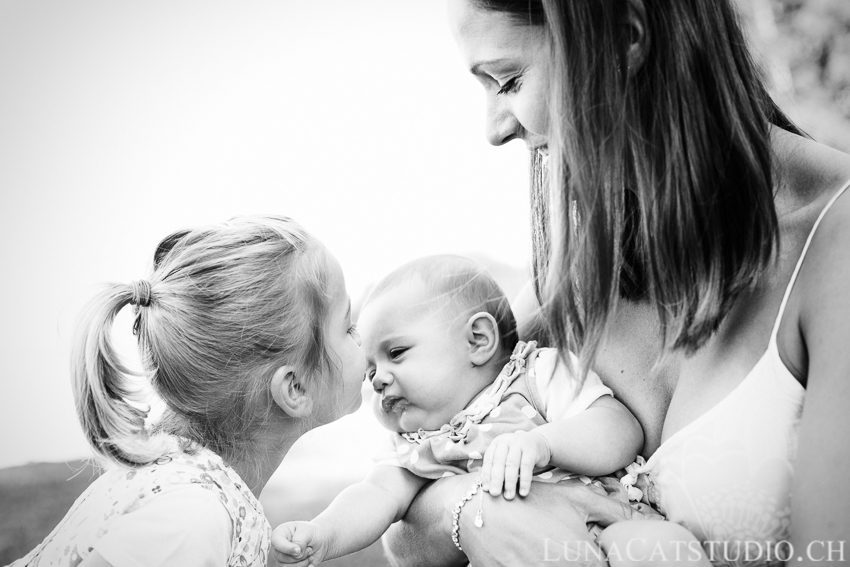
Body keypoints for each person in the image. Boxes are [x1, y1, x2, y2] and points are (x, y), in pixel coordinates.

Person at [380, 1, 850, 566]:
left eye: (509, 80)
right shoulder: (583, 273)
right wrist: (475, 510)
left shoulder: (833, 244)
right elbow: (402, 531)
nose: (495, 129)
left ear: (626, 40)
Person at [270, 255, 676, 567]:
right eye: (371, 370)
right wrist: (322, 533)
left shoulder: (535, 376)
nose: (377, 379)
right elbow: (374, 496)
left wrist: (543, 444)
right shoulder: (419, 447)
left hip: (613, 527)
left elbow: (619, 428)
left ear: (478, 340)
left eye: (396, 353)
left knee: (662, 549)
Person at [8, 216, 366, 567]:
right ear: (295, 387)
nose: (362, 336)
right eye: (348, 327)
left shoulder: (189, 489)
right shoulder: (189, 519)